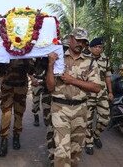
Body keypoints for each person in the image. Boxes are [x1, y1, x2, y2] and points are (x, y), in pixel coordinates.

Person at [46, 28, 101, 167]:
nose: (80, 44)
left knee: (76, 151)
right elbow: (50, 87)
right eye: (78, 40)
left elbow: (96, 87)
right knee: (62, 151)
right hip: (60, 109)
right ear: (70, 39)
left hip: (81, 110)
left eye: (83, 42)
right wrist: (51, 64)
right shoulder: (58, 58)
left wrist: (72, 80)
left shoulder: (90, 62)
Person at [0, 59, 33, 157]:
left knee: (19, 113)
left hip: (21, 87)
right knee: (6, 114)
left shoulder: (26, 52)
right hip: (7, 87)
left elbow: (31, 70)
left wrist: (26, 61)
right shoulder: (5, 50)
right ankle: (4, 139)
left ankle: (16, 135)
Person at [85, 37, 113, 155]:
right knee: (88, 120)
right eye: (96, 47)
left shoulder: (105, 60)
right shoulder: (84, 59)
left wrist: (110, 92)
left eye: (100, 47)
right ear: (90, 48)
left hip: (102, 94)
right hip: (88, 95)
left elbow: (107, 77)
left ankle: (96, 135)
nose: (98, 49)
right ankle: (89, 142)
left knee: (105, 118)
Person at [29, 57, 51, 127]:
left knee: (46, 103)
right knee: (36, 102)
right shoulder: (34, 55)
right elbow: (28, 69)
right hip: (36, 80)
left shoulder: (48, 56)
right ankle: (36, 117)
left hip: (46, 81)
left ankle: (47, 120)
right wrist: (32, 79)